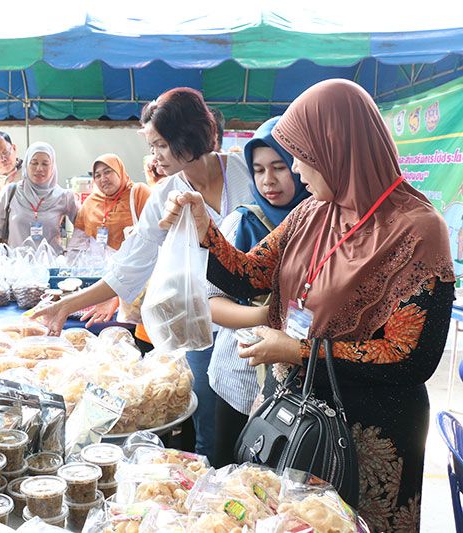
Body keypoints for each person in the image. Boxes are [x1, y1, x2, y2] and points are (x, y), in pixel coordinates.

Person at [159, 79, 453, 531]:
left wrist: (297, 350)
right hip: (296, 417)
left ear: (339, 148)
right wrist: (205, 229)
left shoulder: (417, 230)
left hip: (370, 431)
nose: (295, 168)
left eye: (301, 154)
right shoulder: (312, 212)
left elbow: (411, 358)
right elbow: (250, 274)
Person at [32, 88, 253, 462]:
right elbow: (129, 268)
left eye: (162, 145)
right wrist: (67, 304)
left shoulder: (246, 173)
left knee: (250, 425)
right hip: (203, 325)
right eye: (152, 147)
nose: (155, 157)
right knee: (209, 429)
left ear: (188, 137)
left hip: (257, 321)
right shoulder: (166, 194)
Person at [206, 116, 310, 467]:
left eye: (279, 167)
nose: (268, 180)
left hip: (297, 384)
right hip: (239, 377)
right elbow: (210, 304)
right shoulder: (242, 222)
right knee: (230, 473)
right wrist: (268, 316)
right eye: (259, 169)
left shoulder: (321, 223)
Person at [68, 154, 152, 336]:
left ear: (120, 171)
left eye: (108, 172)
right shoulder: (91, 202)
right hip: (101, 276)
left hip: (136, 281)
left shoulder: (138, 193)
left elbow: (154, 242)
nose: (103, 178)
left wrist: (117, 293)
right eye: (97, 175)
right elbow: (78, 242)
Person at [0, 142, 79, 254]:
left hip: (50, 262)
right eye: (34, 163)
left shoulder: (64, 196)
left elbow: (83, 226)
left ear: (53, 166)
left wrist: (73, 251)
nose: (39, 168)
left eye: (45, 164)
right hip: (16, 262)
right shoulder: (11, 192)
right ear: (26, 165)